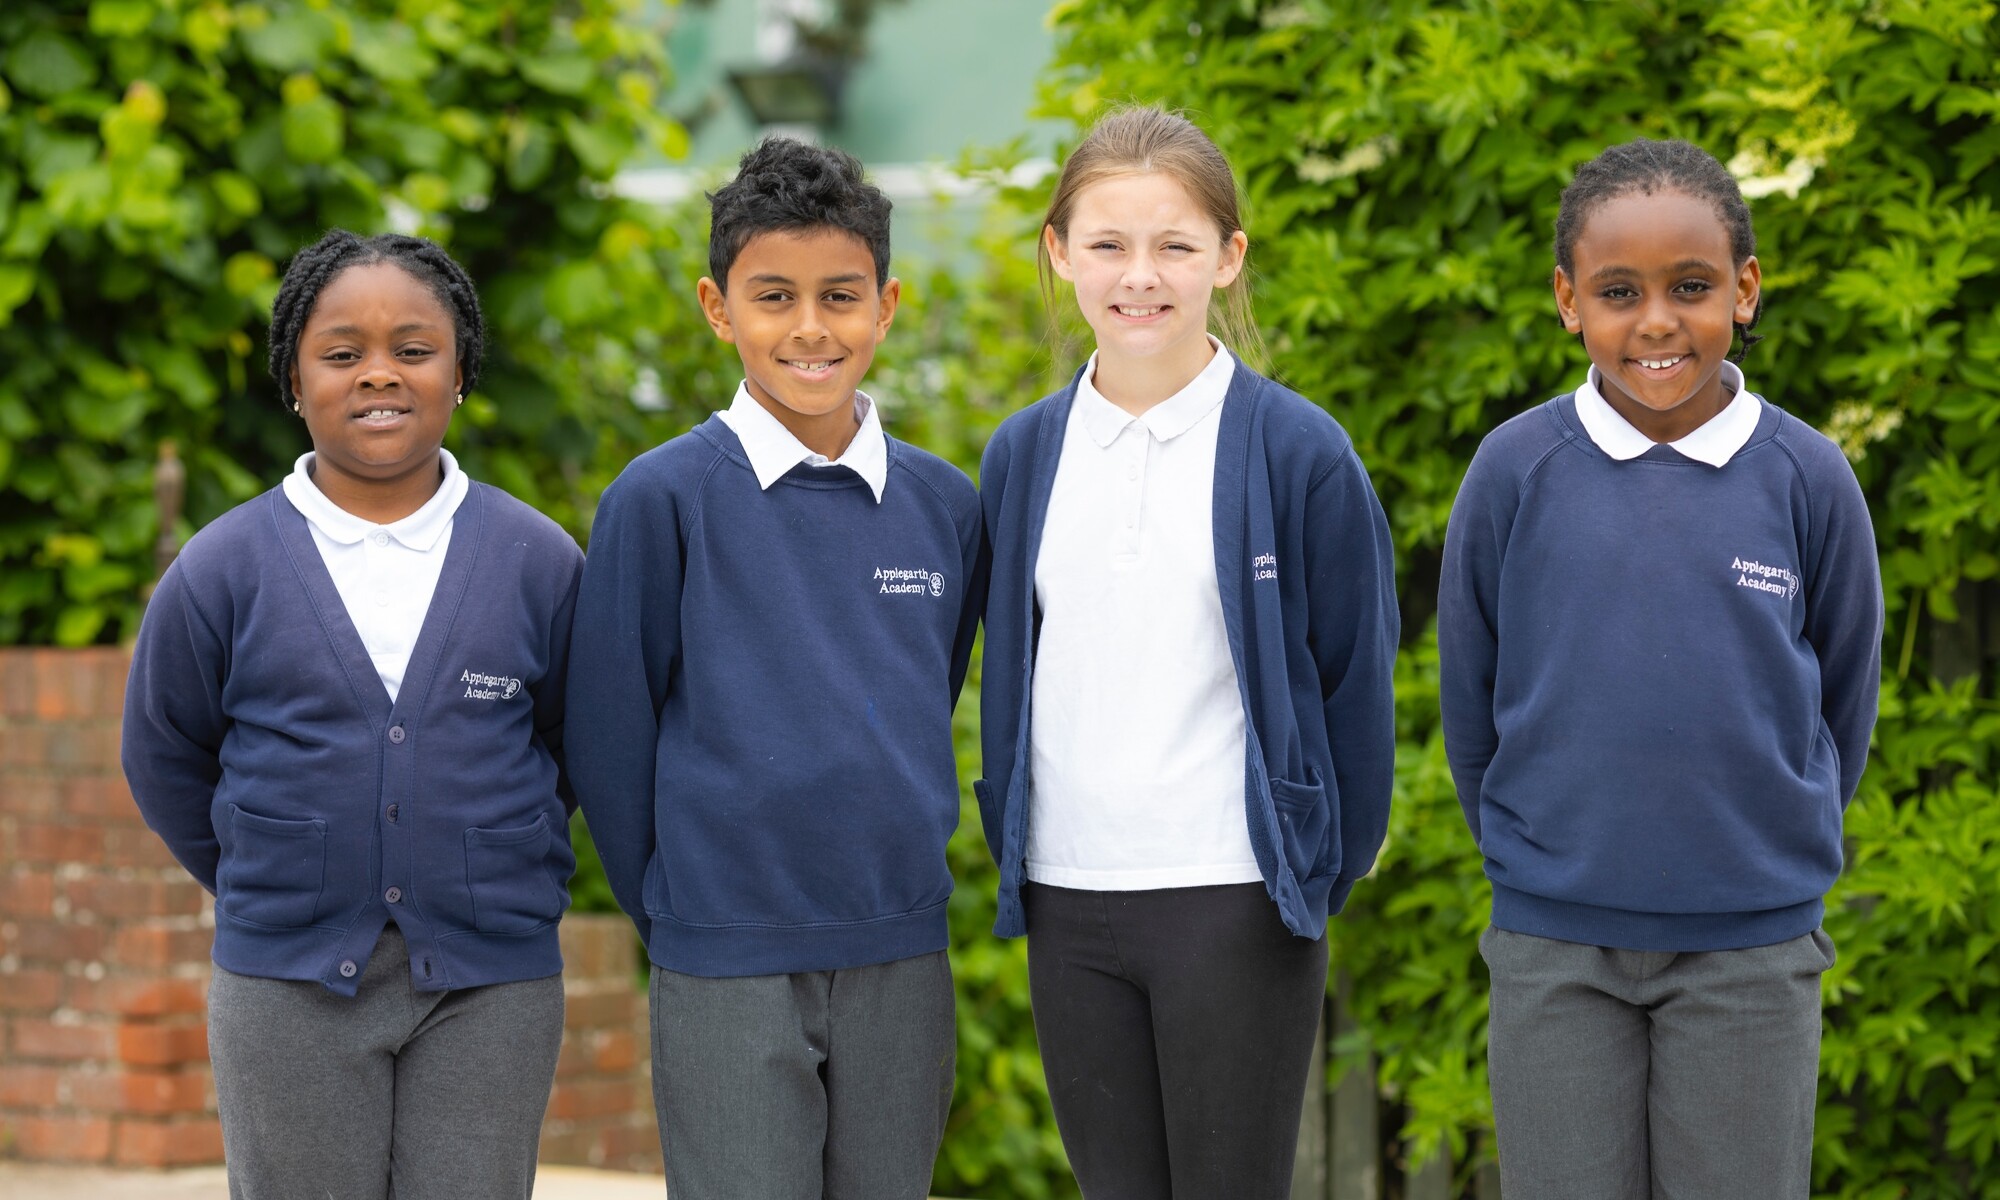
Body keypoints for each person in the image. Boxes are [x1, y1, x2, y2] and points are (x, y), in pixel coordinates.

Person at [1438, 137, 1884, 1198]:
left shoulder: (1805, 477)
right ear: (1565, 300)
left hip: (1749, 957)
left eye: (1689, 288)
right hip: (1553, 947)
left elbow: (1839, 704)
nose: (1653, 321)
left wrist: (1764, 846)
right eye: (1616, 291)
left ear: (1743, 290)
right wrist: (1538, 859)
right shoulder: (1514, 471)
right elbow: (1473, 704)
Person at [975, 106, 1399, 1198]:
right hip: (1066, 894)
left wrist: (1317, 867)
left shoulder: (1297, 451)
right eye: (1107, 245)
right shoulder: (1022, 452)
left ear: (1227, 256)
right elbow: (1010, 668)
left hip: (1233, 896)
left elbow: (1354, 678)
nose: (1139, 277)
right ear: (1058, 253)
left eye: (1173, 244)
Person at [121, 230, 583, 1199]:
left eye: (414, 350)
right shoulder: (223, 567)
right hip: (285, 982)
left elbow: (572, 742)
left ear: (460, 375)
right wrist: (272, 866)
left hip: (488, 982)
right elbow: (167, 752)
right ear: (294, 380)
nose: (380, 375)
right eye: (342, 354)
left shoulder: (537, 563)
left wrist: (494, 844)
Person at [564, 137, 983, 1200]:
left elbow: (922, 691)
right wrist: (684, 914)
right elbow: (609, 740)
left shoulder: (944, 509)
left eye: (840, 296)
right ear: (717, 308)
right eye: (773, 296)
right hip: (724, 950)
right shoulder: (661, 502)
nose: (809, 327)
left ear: (886, 306)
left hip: (900, 950)